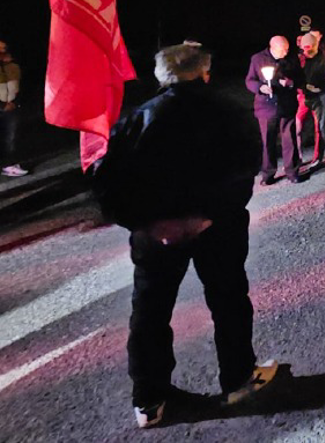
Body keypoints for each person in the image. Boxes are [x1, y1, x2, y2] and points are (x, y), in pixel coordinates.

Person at [92, 44, 276, 428]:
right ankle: (238, 379)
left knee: (150, 311)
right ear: (204, 72)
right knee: (228, 301)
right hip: (218, 228)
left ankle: (149, 400)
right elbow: (245, 168)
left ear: (161, 77)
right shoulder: (227, 112)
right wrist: (206, 215)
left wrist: (147, 222)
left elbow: (108, 183)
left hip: (155, 234)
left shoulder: (137, 119)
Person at [245, 36, 304, 184]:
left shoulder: (291, 59)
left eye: (287, 49)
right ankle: (268, 173)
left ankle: (292, 171)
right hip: (266, 107)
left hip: (287, 105)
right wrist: (260, 88)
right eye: (282, 49)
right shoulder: (258, 59)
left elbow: (301, 79)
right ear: (272, 47)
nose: (286, 52)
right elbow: (250, 80)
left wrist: (291, 83)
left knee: (289, 139)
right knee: (268, 141)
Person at [296, 33, 325, 168]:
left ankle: (318, 157)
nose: (307, 52)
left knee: (320, 127)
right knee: (296, 126)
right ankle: (297, 156)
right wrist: (303, 87)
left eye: (310, 49)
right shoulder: (300, 60)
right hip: (303, 96)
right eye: (305, 49)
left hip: (320, 96)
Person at [0, 39, 28, 177]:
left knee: (10, 137)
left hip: (10, 106)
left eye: (4, 47)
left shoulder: (12, 65)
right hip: (3, 106)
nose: (3, 50)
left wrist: (15, 102)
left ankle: (8, 164)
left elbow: (17, 85)